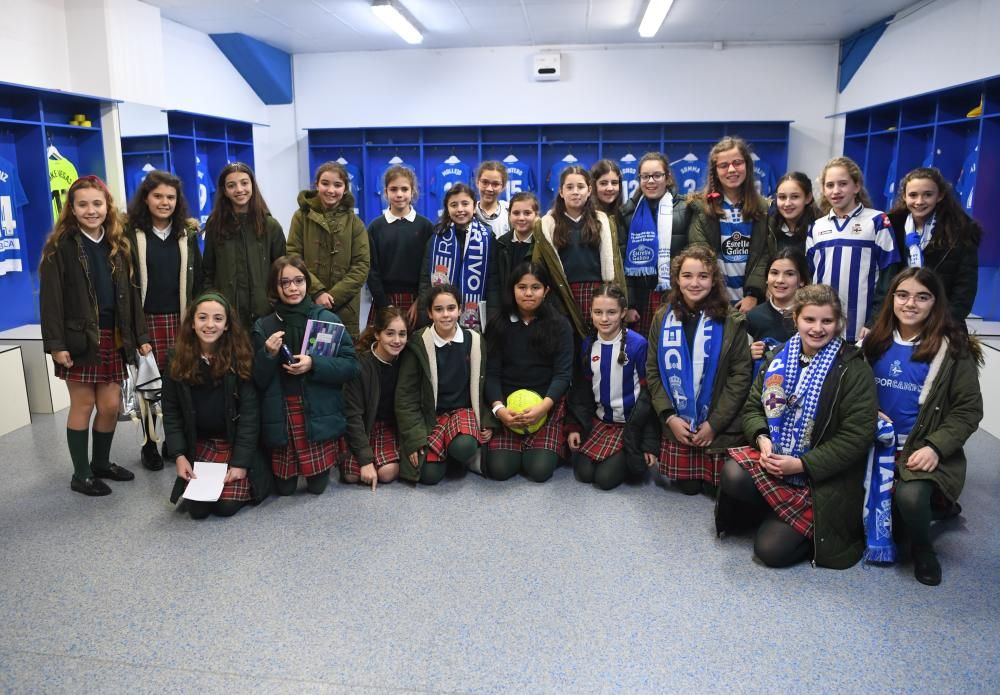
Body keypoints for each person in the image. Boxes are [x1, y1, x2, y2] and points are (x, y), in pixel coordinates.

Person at [719, 284, 877, 568]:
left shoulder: (854, 370)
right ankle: (776, 508)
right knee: (732, 473)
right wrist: (762, 438)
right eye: (809, 320)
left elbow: (856, 437)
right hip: (776, 458)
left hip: (820, 477)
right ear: (796, 320)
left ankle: (788, 517)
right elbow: (753, 407)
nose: (818, 328)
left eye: (827, 321)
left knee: (770, 552)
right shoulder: (778, 356)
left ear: (839, 323)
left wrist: (802, 464)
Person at [862, 267, 983, 584]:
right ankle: (928, 513)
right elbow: (852, 391)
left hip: (920, 448)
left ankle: (923, 548)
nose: (910, 303)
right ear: (892, 299)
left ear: (935, 302)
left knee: (910, 500)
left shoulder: (953, 349)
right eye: (902, 295)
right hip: (874, 444)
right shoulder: (874, 342)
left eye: (922, 297)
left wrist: (936, 447)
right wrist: (869, 410)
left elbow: (969, 410)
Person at [40, 175, 150, 496]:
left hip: (113, 337)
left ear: (107, 207)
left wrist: (139, 334)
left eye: (97, 204)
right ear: (71, 209)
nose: (91, 210)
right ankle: (81, 474)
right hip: (78, 339)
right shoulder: (59, 248)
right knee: (84, 404)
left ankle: (101, 463)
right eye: (83, 204)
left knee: (111, 405)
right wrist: (56, 345)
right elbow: (50, 302)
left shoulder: (119, 244)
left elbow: (132, 295)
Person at [646, 244, 752, 496]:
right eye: (687, 276)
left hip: (717, 425)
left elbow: (740, 376)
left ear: (714, 280)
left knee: (715, 489)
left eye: (703, 276)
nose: (695, 283)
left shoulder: (732, 321)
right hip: (678, 425)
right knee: (689, 488)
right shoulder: (662, 317)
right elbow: (652, 370)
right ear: (676, 279)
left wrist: (714, 424)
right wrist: (670, 417)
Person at [252, 255, 359, 496]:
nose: (292, 288)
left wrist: (314, 364)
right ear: (274, 287)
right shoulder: (264, 325)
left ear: (307, 283)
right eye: (285, 283)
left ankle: (318, 469)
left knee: (317, 488)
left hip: (317, 411)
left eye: (299, 281)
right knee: (285, 490)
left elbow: (352, 366)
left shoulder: (327, 319)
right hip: (282, 412)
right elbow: (257, 379)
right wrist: (268, 355)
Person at [163, 292, 272, 518]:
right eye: (202, 318)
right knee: (198, 511)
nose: (210, 325)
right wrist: (179, 455)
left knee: (225, 507)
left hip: (232, 443)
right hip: (200, 443)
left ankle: (255, 475)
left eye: (218, 319)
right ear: (192, 323)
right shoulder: (175, 358)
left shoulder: (241, 357)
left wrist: (240, 463)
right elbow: (171, 411)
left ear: (227, 325)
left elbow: (250, 417)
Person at [124, 170, 202, 470]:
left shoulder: (187, 233)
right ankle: (149, 444)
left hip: (180, 320)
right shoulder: (131, 234)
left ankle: (175, 441)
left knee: (179, 383)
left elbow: (197, 280)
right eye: (158, 196)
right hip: (145, 320)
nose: (164, 202)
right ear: (146, 198)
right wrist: (136, 331)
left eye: (170, 197)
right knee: (147, 386)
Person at [395, 284, 495, 485]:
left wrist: (488, 421)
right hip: (431, 417)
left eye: (451, 308)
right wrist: (414, 439)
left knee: (464, 446)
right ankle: (447, 455)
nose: (446, 315)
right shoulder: (418, 343)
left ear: (460, 309)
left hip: (463, 412)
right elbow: (405, 397)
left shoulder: (474, 340)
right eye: (438, 310)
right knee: (429, 476)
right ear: (430, 313)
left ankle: (455, 451)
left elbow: (485, 386)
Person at [485, 262, 574, 482]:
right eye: (521, 287)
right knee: (499, 470)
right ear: (512, 289)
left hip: (546, 406)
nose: (528, 293)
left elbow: (563, 374)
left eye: (535, 287)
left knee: (539, 471)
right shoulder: (497, 323)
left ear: (546, 291)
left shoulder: (560, 325)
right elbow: (491, 374)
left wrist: (543, 408)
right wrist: (500, 411)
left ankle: (550, 446)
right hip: (508, 408)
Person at [567, 283, 658, 490]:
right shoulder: (589, 344)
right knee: (584, 474)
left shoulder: (638, 345)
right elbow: (582, 390)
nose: (604, 319)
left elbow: (649, 396)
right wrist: (574, 426)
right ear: (590, 312)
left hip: (631, 425)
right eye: (598, 312)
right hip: (601, 422)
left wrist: (649, 444)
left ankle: (628, 453)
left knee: (605, 480)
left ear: (623, 312)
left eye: (612, 312)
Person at [807, 156, 900, 343]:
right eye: (830, 185)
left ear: (856, 186)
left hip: (863, 329)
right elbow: (810, 277)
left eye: (843, 184)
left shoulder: (877, 221)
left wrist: (875, 320)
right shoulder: (816, 227)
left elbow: (889, 277)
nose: (836, 191)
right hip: (822, 329)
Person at [532, 165, 626, 339]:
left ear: (589, 190)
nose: (576, 192)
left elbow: (616, 264)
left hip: (598, 293)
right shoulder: (546, 224)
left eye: (581, 187)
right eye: (569, 187)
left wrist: (621, 297)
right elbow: (539, 266)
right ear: (561, 192)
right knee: (569, 344)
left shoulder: (603, 221)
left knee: (598, 345)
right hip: (562, 295)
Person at [287, 161, 370, 338]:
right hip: (307, 300)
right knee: (306, 354)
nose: (331, 190)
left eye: (337, 185)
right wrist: (316, 292)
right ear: (317, 185)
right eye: (325, 183)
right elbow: (293, 257)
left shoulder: (355, 224)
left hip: (345, 308)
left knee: (342, 359)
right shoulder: (301, 217)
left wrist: (331, 297)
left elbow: (361, 266)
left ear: (346, 189)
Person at [887, 167, 982, 322]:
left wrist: (943, 322)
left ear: (940, 195)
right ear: (904, 196)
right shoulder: (891, 228)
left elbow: (965, 289)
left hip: (942, 322)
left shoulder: (961, 232)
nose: (919, 201)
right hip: (899, 320)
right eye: (913, 195)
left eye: (928, 195)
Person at [688, 137, 770, 313]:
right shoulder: (702, 208)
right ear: (715, 171)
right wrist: (715, 295)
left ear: (747, 165)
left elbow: (764, 255)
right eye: (723, 165)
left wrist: (753, 294)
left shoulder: (762, 208)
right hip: (713, 300)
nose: (731, 170)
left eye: (737, 163)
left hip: (751, 304)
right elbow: (701, 255)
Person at [202, 162, 286, 328]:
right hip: (228, 316)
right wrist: (214, 303)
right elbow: (208, 272)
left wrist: (273, 302)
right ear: (224, 191)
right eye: (231, 185)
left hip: (265, 315)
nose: (239, 189)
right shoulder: (215, 225)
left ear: (252, 186)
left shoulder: (270, 225)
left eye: (244, 183)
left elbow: (282, 271)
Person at [618, 152, 692, 338]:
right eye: (645, 176)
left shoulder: (686, 208)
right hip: (642, 301)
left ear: (667, 178)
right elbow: (623, 263)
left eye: (657, 175)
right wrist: (630, 304)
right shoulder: (628, 213)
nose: (650, 181)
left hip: (678, 296)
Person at [341, 306, 408, 489]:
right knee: (351, 475)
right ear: (377, 334)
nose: (396, 340)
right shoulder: (360, 365)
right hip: (364, 426)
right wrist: (365, 461)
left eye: (402, 334)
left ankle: (393, 459)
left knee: (386, 473)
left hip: (390, 428)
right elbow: (352, 415)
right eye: (390, 334)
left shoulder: (406, 362)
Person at [365, 165, 434, 328]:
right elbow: (371, 270)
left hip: (417, 302)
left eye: (404, 189)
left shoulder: (425, 226)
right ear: (386, 192)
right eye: (393, 189)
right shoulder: (375, 227)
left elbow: (430, 270)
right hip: (384, 300)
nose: (399, 194)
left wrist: (420, 302)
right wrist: (384, 304)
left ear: (413, 191)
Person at [419, 183, 494, 332]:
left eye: (465, 204)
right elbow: (425, 280)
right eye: (454, 205)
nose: (460, 209)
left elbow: (493, 282)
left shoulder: (487, 237)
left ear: (474, 207)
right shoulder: (437, 238)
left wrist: (492, 317)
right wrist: (423, 314)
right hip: (443, 314)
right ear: (447, 208)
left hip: (475, 314)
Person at [746, 248, 810, 370]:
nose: (780, 280)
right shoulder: (753, 317)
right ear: (766, 278)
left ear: (801, 280)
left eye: (789, 274)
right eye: (774, 273)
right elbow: (738, 364)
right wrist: (748, 354)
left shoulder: (811, 317)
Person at [485, 191, 539, 326]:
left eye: (527, 213)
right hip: (507, 314)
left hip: (536, 315)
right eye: (516, 213)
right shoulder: (500, 243)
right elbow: (495, 283)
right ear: (509, 215)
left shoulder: (542, 244)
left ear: (536, 215)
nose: (521, 218)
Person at [767, 171, 819, 257]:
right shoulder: (769, 226)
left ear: (808, 198)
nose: (787, 203)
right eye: (782, 197)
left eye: (795, 197)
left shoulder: (818, 229)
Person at [474, 160, 510, 238]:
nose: (489, 189)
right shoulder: (469, 211)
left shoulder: (510, 211)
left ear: (503, 186)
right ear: (477, 182)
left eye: (495, 184)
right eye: (485, 182)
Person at [591, 158, 625, 232]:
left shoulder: (624, 216)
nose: (610, 188)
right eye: (603, 183)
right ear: (594, 186)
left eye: (614, 183)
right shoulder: (586, 218)